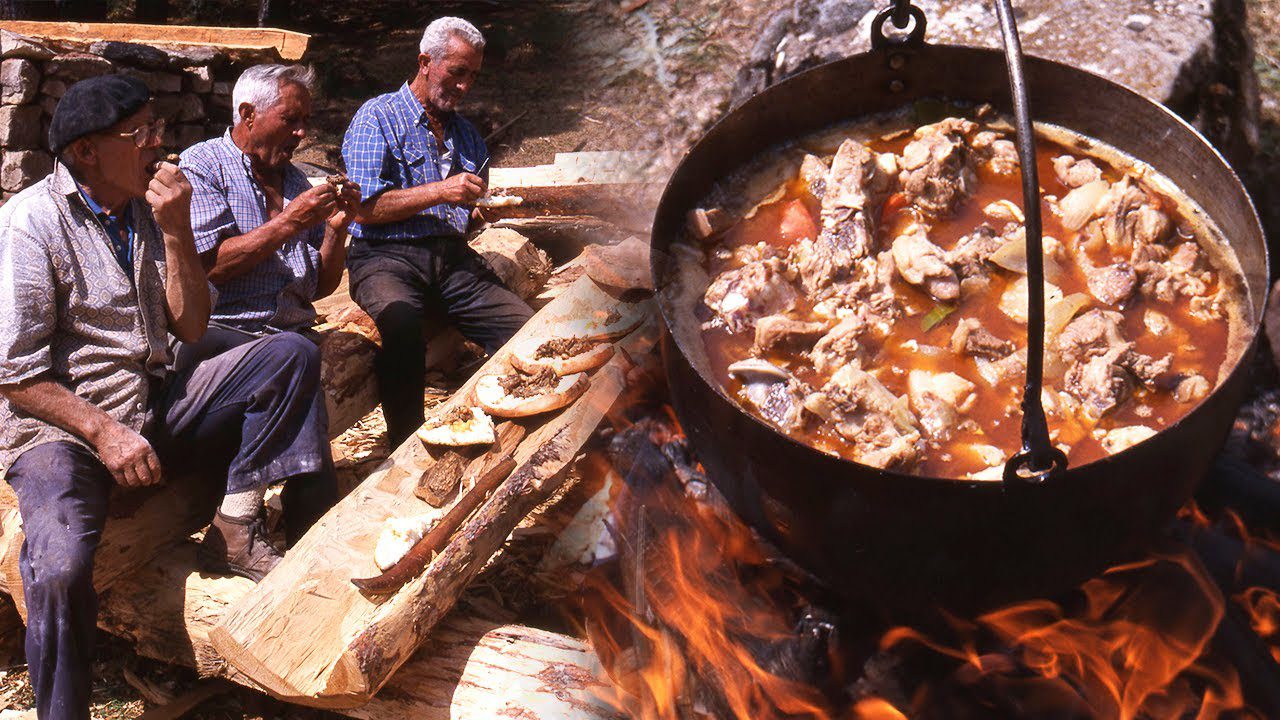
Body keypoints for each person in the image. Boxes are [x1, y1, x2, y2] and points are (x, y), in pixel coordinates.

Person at [0, 75, 335, 720]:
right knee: (62, 565)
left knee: (290, 354)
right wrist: (103, 433)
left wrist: (178, 231)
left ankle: (237, 522)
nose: (160, 147)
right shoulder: (30, 225)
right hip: (62, 431)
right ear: (89, 151)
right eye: (142, 135)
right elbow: (14, 374)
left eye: (160, 130)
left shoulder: (144, 211)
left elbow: (189, 326)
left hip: (150, 403)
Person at [342, 16, 534, 446]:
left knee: (526, 329)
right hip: (385, 256)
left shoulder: (467, 135)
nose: (465, 86)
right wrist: (441, 191)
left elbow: (466, 210)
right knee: (402, 326)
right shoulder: (378, 117)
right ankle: (406, 444)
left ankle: (504, 423)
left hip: (450, 259)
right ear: (425, 62)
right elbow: (365, 208)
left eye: (473, 76)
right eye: (457, 72)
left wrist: (477, 211)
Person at [179, 63, 361, 367]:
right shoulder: (203, 166)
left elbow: (321, 288)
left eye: (305, 120)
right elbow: (207, 268)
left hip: (290, 337)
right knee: (295, 355)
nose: (301, 132)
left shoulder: (295, 181)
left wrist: (335, 229)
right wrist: (289, 222)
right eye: (290, 120)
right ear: (248, 115)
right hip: (226, 334)